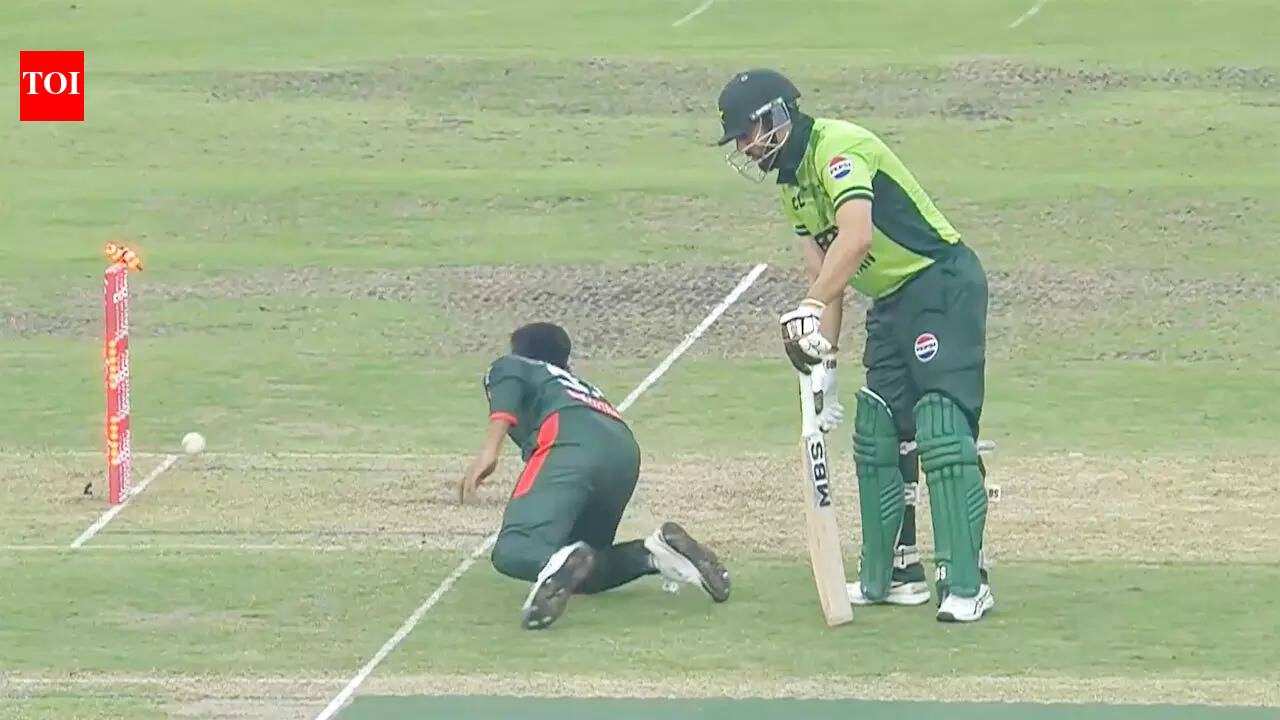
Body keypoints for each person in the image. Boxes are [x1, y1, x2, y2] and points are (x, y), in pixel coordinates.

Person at [714, 68, 995, 622]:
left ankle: (968, 582)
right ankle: (895, 573)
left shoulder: (837, 148)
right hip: (889, 300)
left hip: (941, 282)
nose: (744, 148)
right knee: (877, 428)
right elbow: (826, 277)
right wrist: (824, 363)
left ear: (777, 117)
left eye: (747, 134)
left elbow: (857, 237)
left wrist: (810, 306)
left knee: (940, 427)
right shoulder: (793, 187)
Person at [458, 322, 731, 629]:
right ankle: (654, 554)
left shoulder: (514, 366)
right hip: (623, 451)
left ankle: (558, 561)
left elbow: (507, 390)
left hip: (570, 443)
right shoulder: (576, 384)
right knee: (584, 567)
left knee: (515, 549)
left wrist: (489, 451)